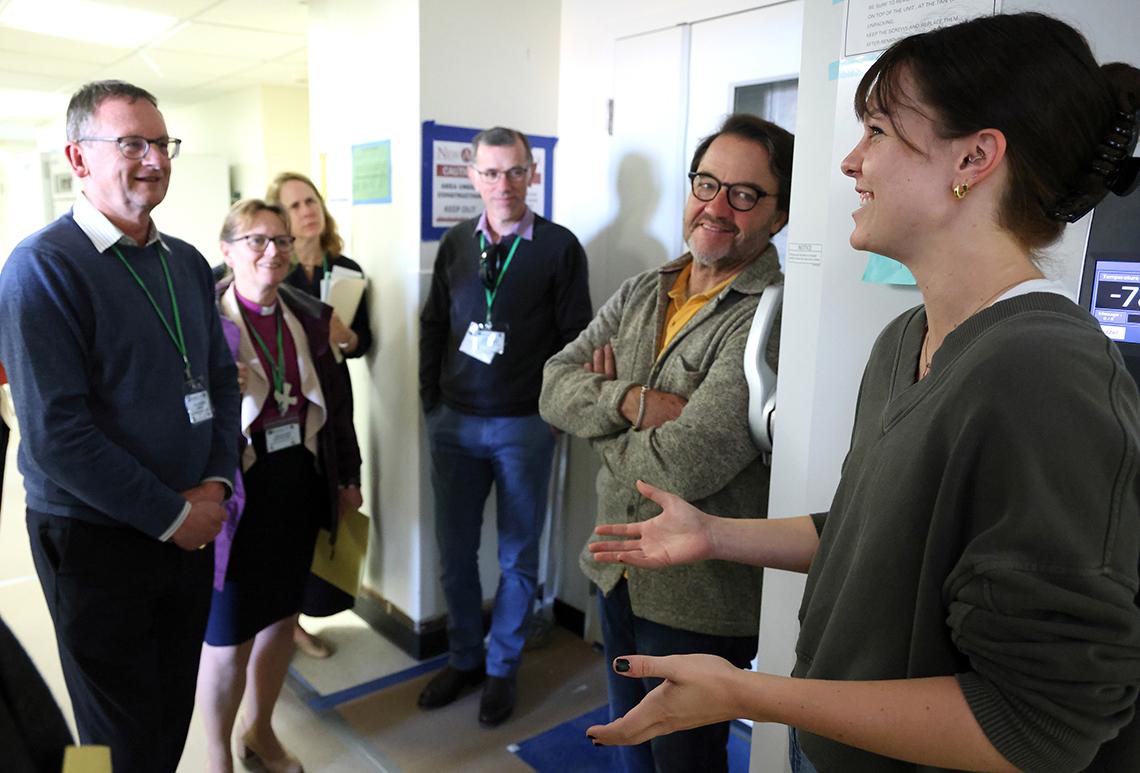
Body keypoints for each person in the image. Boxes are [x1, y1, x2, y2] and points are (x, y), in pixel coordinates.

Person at [583, 13, 1140, 773]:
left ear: (975, 158)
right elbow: (864, 528)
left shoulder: (1046, 377)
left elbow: (1040, 720)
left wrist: (756, 693)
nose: (850, 161)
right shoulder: (904, 342)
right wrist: (717, 534)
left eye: (877, 130)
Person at [539, 113, 792, 772]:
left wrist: (597, 425)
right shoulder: (644, 290)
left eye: (744, 194)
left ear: (779, 213)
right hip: (615, 569)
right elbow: (551, 384)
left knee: (684, 760)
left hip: (697, 597)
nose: (716, 206)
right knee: (631, 742)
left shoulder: (772, 314)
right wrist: (633, 402)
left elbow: (690, 457)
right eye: (706, 184)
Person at [0, 79, 240, 773]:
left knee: (168, 707)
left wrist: (217, 482)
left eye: (161, 142)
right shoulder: (43, 268)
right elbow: (56, 434)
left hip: (190, 520)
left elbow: (221, 383)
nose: (154, 159)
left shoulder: (188, 263)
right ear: (78, 158)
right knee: (113, 728)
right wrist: (173, 514)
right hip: (94, 537)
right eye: (130, 142)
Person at [418, 126, 593, 727]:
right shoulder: (456, 245)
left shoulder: (559, 247)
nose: (504, 184)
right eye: (491, 173)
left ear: (531, 174)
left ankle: (501, 669)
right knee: (455, 554)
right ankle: (464, 657)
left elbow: (577, 339)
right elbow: (434, 324)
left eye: (516, 171)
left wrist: (558, 414)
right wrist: (430, 405)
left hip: (523, 426)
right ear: (472, 177)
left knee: (519, 557)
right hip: (455, 425)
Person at [197, 199, 362, 773]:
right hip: (234, 493)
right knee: (226, 639)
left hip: (296, 482)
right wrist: (220, 384)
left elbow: (337, 405)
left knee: (279, 621)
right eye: (256, 240)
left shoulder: (308, 315)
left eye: (282, 241)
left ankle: (260, 732)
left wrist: (347, 477)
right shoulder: (202, 323)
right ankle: (218, 753)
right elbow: (172, 413)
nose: (272, 251)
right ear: (226, 250)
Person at [267, 170, 373, 659]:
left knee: (332, 504)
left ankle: (299, 616)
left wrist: (343, 334)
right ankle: (281, 622)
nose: (307, 210)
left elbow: (360, 343)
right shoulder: (274, 270)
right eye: (294, 205)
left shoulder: (346, 267)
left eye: (311, 200)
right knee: (289, 515)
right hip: (288, 406)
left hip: (335, 399)